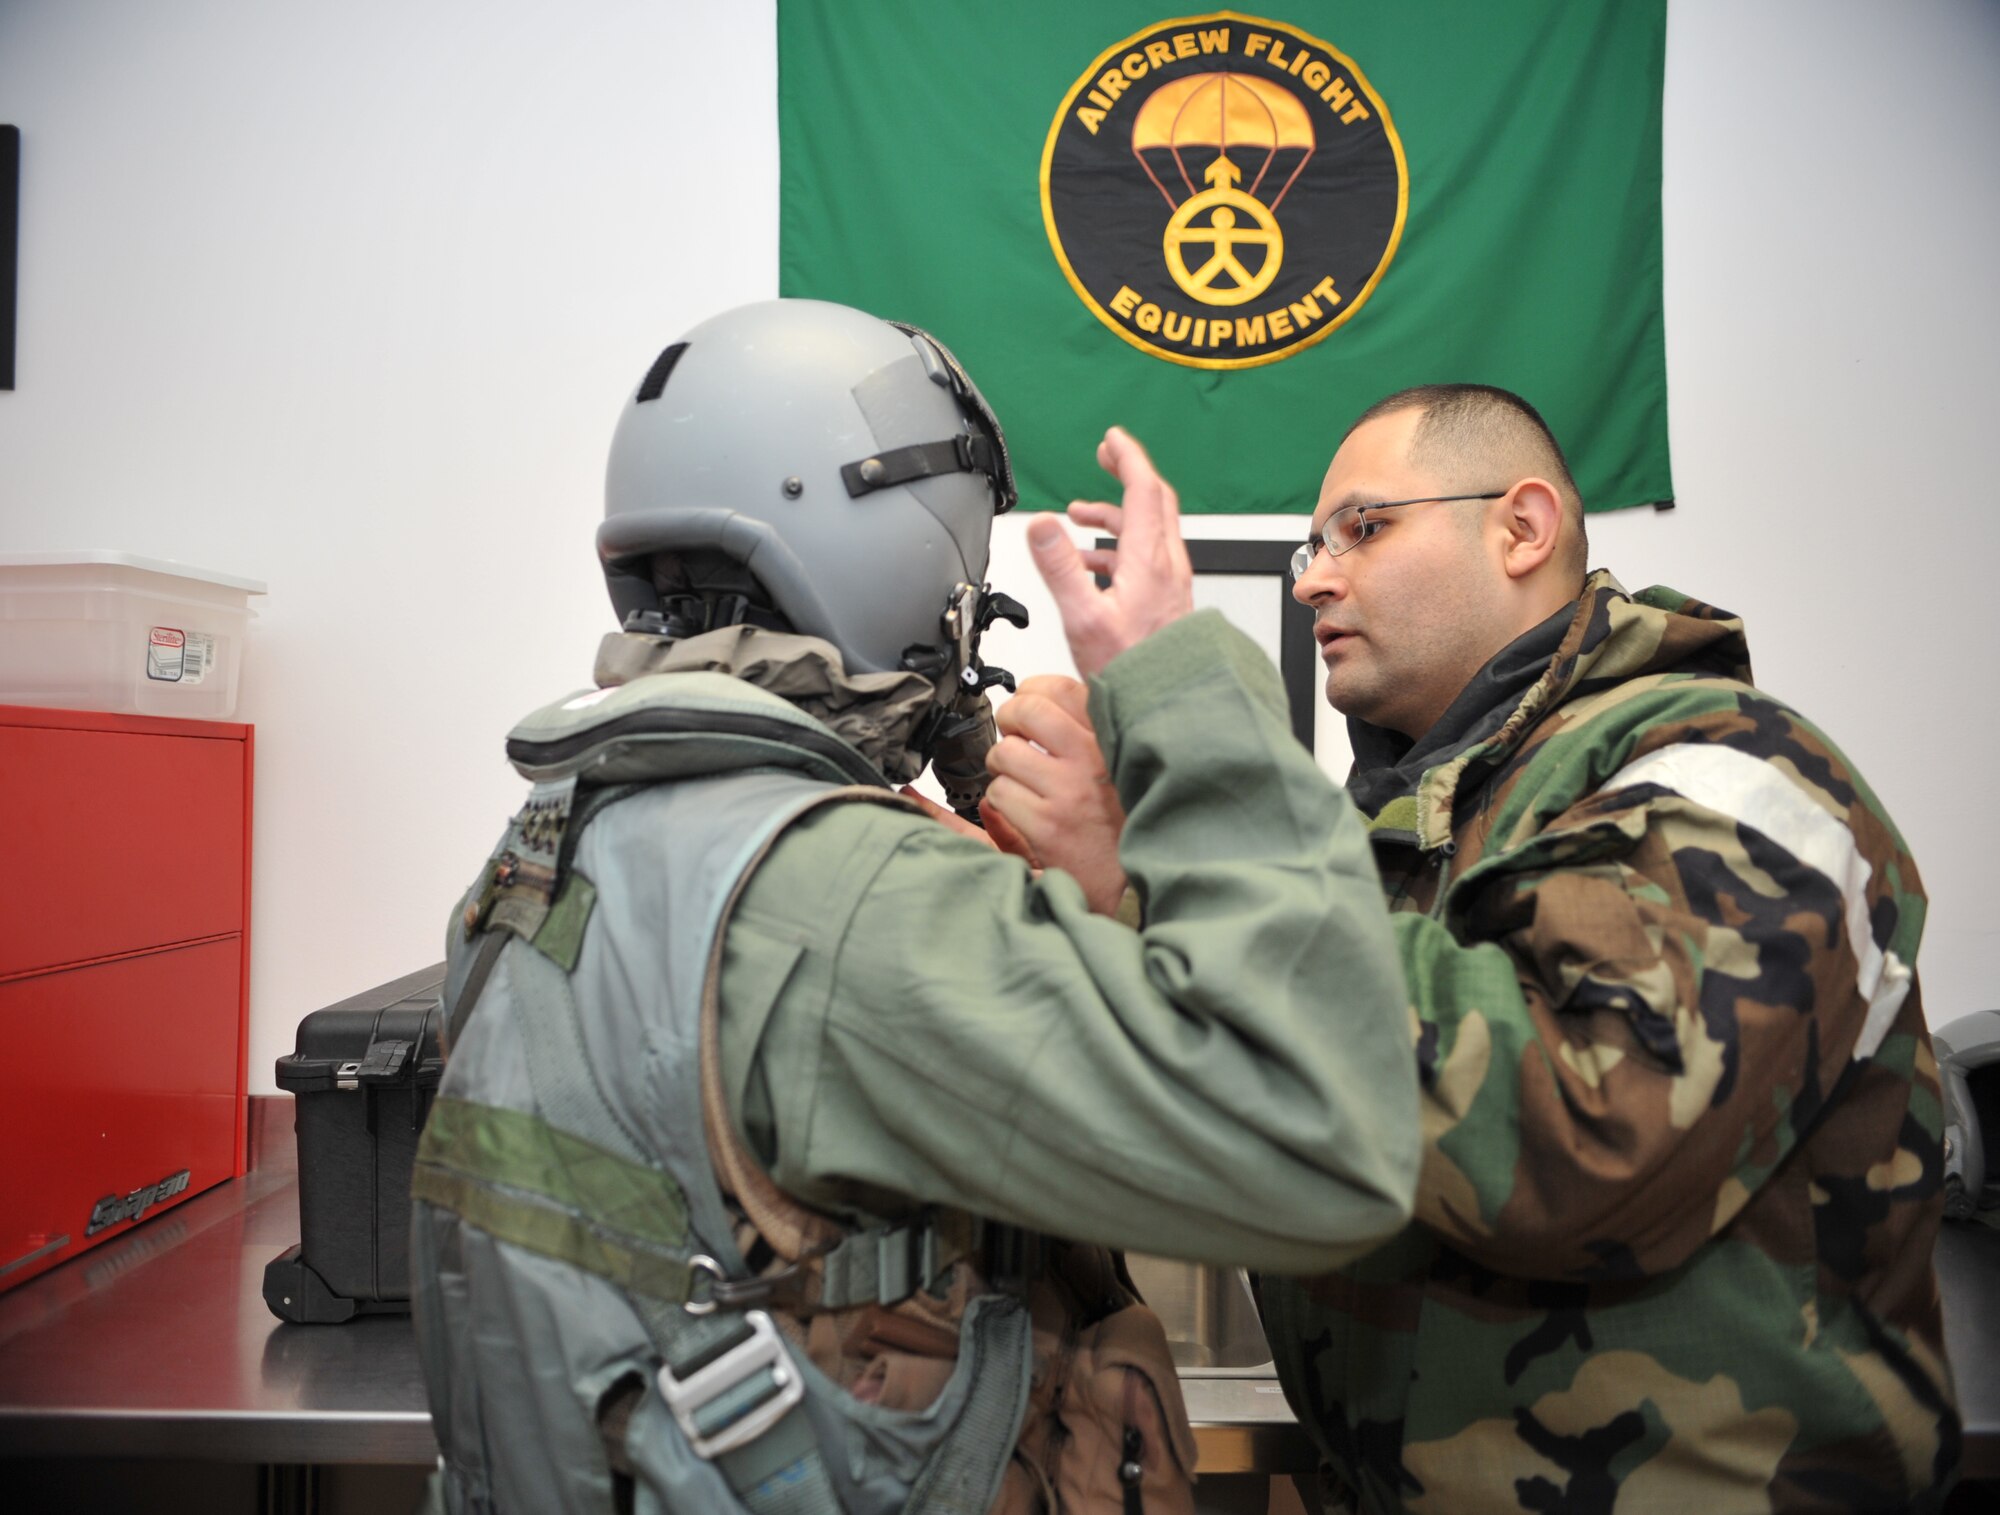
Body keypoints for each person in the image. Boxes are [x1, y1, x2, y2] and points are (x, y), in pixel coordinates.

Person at [407, 298, 1420, 1515]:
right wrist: (1181, 684)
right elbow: (1329, 1145)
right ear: (898, 554)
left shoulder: (547, 857)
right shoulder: (844, 895)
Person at [990, 385, 1959, 1512]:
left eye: (1362, 527)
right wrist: (1114, 891)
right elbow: (1310, 1084)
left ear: (1520, 527)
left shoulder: (1732, 774)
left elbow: (1573, 1129)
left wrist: (1188, 762)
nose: (1310, 576)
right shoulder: (1413, 828)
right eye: (1311, 545)